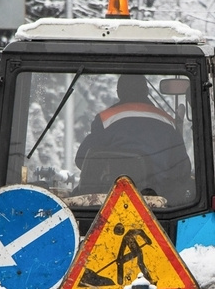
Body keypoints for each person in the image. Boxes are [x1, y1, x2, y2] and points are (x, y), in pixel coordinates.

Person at [75, 74, 192, 204]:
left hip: (113, 199)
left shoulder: (105, 119)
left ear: (119, 93)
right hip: (159, 202)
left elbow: (83, 160)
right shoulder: (168, 122)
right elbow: (183, 170)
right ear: (146, 92)